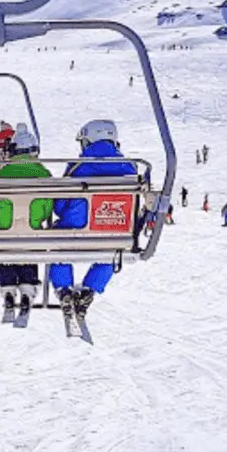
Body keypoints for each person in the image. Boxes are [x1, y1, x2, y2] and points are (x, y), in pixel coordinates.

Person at [49, 120, 137, 318]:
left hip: (75, 230)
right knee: (112, 252)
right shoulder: (131, 168)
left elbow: (60, 205)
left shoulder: (77, 167)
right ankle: (90, 289)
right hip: (114, 233)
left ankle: (64, 290)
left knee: (58, 246)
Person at [0, 128, 53, 316]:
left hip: (4, 229)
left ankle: (8, 288)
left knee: (5, 247)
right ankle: (27, 287)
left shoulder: (4, 172)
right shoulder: (43, 173)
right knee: (29, 245)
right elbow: (49, 205)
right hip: (32, 229)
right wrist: (39, 217)